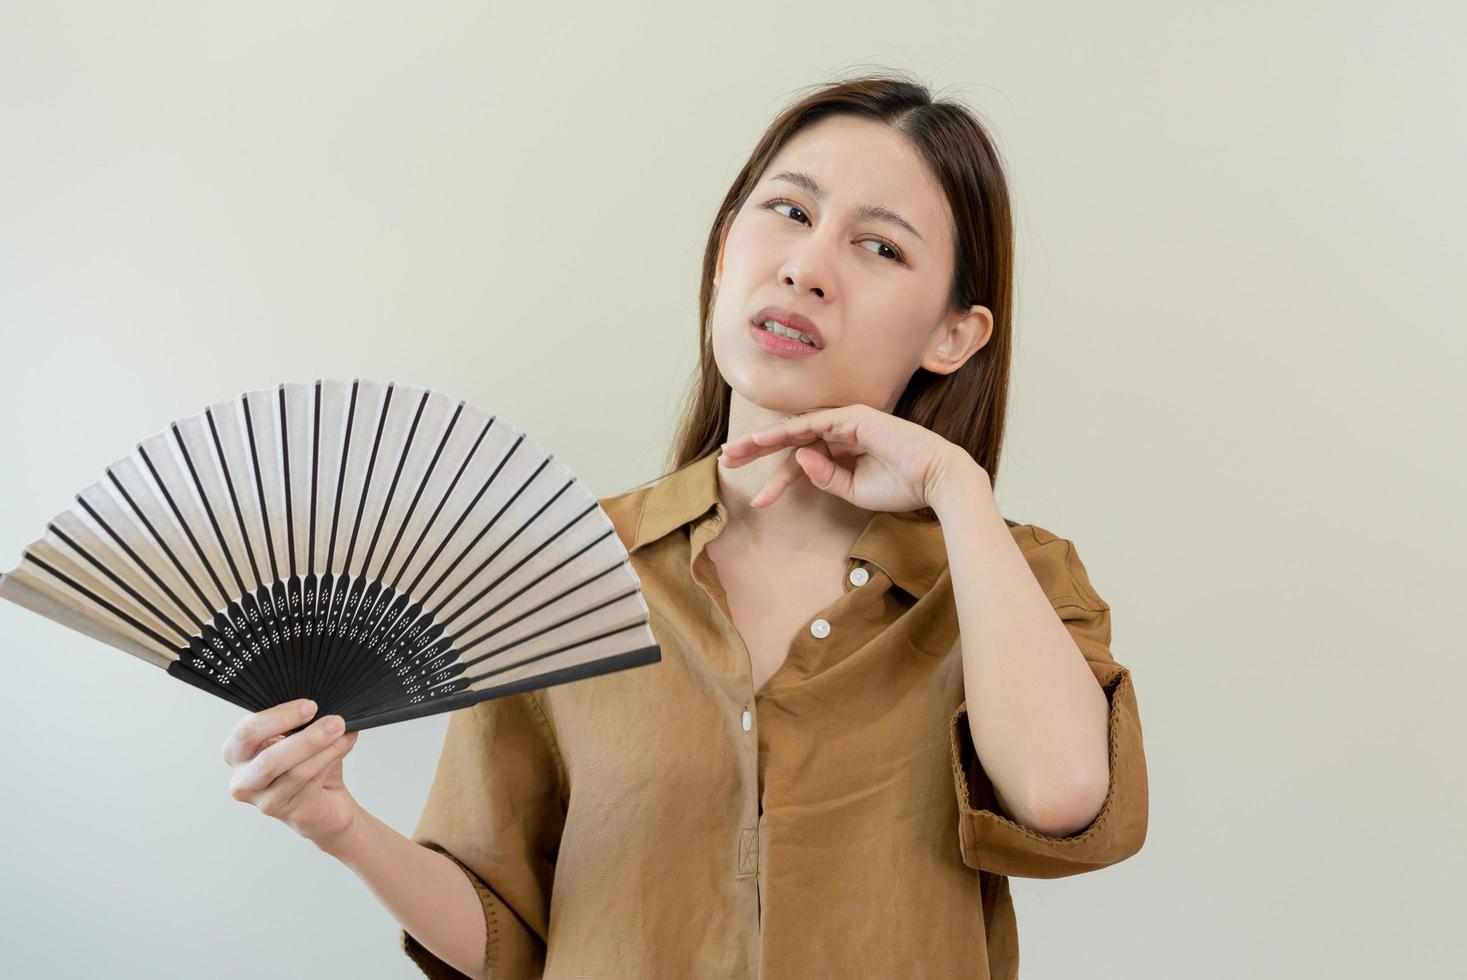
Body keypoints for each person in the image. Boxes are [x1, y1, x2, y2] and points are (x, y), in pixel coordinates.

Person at [220, 68, 1148, 980]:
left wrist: (955, 486)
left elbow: (1063, 798)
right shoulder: (563, 570)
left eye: (881, 247)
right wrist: (339, 824)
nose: (806, 265)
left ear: (953, 336)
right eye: (788, 210)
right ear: (723, 253)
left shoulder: (1009, 577)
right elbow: (512, 937)